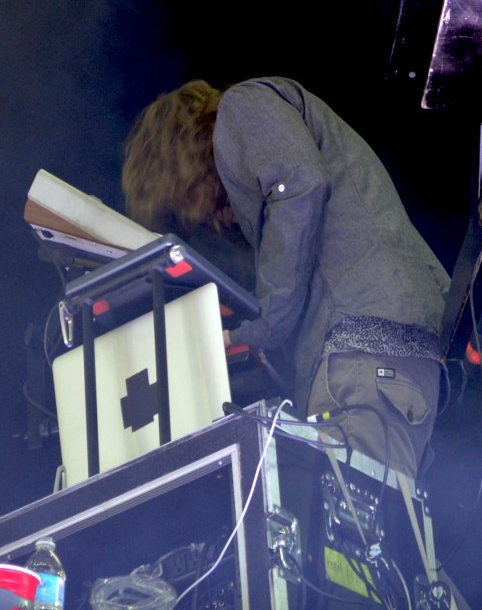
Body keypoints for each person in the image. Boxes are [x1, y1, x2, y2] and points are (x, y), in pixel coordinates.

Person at [121, 76, 450, 478]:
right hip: (392, 365)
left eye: (187, 205)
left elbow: (299, 184)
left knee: (349, 510)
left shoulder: (243, 107)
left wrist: (259, 327)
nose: (207, 220)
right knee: (371, 511)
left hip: (359, 360)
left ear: (179, 161)